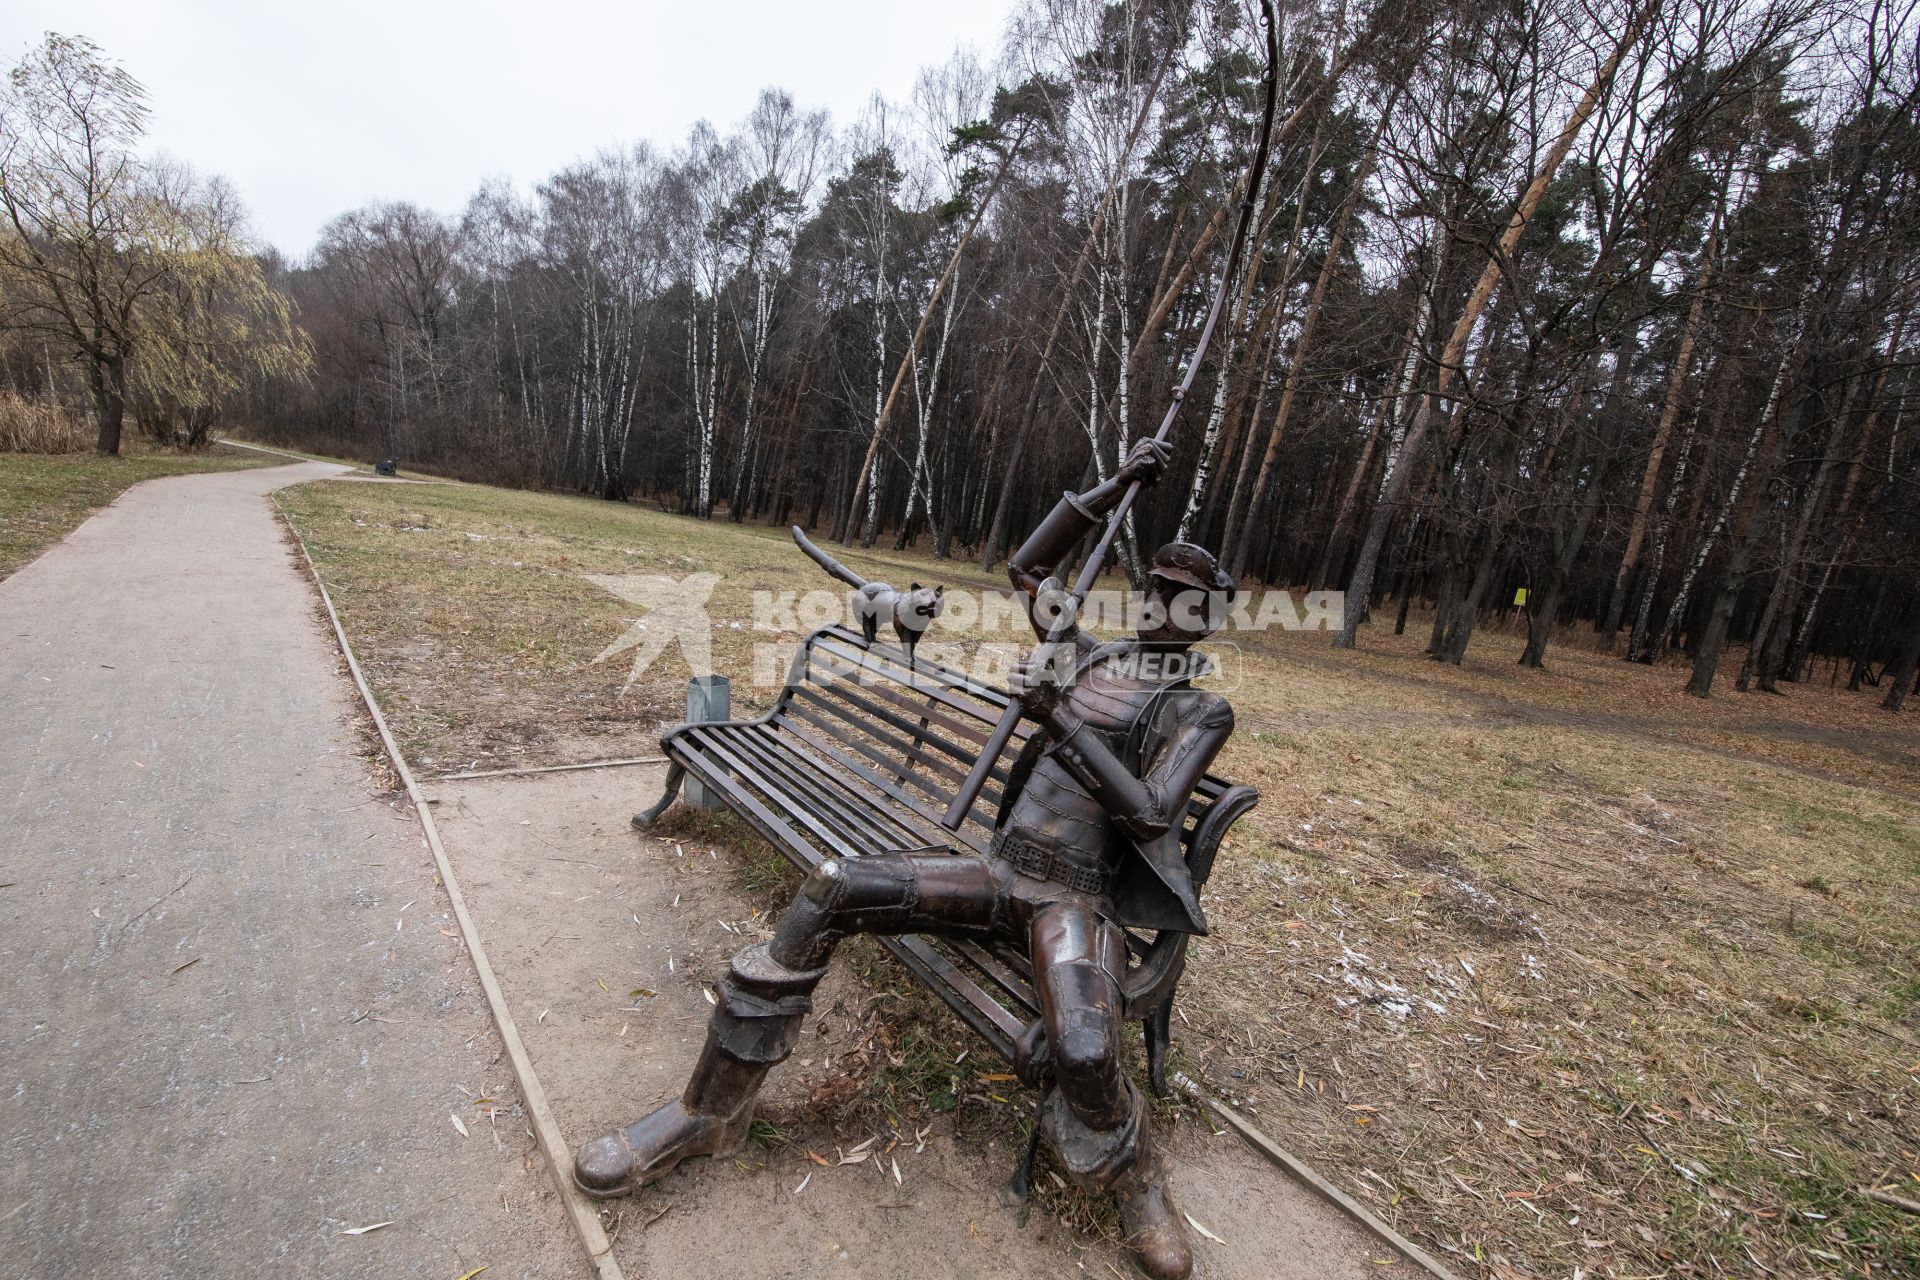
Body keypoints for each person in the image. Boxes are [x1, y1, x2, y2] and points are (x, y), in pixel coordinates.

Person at [574, 437, 1236, 1280]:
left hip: (1074, 903)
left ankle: (1138, 1178)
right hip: (999, 874)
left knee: (1084, 1051)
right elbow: (1026, 570)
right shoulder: (1086, 654)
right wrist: (1113, 485)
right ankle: (707, 1111)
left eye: (1185, 600)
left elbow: (1149, 813)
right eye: (1158, 590)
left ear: (1209, 617)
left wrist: (1056, 718)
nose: (1163, 607)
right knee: (835, 885)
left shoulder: (1198, 709)